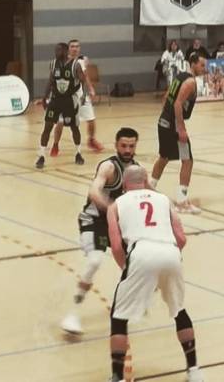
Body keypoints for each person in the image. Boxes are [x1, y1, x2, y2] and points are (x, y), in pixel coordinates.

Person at [106, 165, 203, 382]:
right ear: (146, 181)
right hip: (170, 252)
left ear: (124, 184)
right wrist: (167, 262)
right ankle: (194, 370)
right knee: (179, 310)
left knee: (119, 315)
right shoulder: (163, 200)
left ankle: (117, 377)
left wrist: (129, 269)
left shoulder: (116, 205)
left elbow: (116, 247)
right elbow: (182, 239)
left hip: (140, 252)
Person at [60, 127, 139, 335]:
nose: (127, 150)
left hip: (117, 224)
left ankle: (123, 303)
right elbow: (94, 191)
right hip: (95, 220)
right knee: (95, 261)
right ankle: (73, 313)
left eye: (131, 146)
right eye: (124, 145)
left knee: (135, 265)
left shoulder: (136, 170)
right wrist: (111, 208)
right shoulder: (109, 167)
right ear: (116, 145)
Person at [150, 53, 206, 214]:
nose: (204, 68)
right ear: (193, 64)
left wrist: (165, 116)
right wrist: (180, 128)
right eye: (202, 65)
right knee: (187, 160)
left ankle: (149, 189)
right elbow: (177, 104)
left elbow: (166, 97)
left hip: (164, 121)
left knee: (164, 157)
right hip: (173, 124)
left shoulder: (179, 76)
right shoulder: (190, 82)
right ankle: (181, 202)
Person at [36, 43, 85, 168]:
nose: (56, 52)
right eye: (56, 50)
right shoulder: (53, 64)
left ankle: (78, 153)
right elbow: (50, 81)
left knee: (74, 127)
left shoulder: (75, 64)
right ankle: (41, 156)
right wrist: (44, 97)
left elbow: (83, 80)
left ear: (65, 51)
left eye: (59, 50)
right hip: (55, 100)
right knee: (47, 127)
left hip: (69, 100)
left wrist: (83, 95)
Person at [50, 39, 102, 155]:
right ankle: (55, 145)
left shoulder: (82, 61)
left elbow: (85, 76)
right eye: (72, 46)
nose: (75, 48)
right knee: (60, 122)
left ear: (79, 49)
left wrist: (91, 89)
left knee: (91, 119)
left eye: (77, 46)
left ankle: (91, 140)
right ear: (68, 49)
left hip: (81, 96)